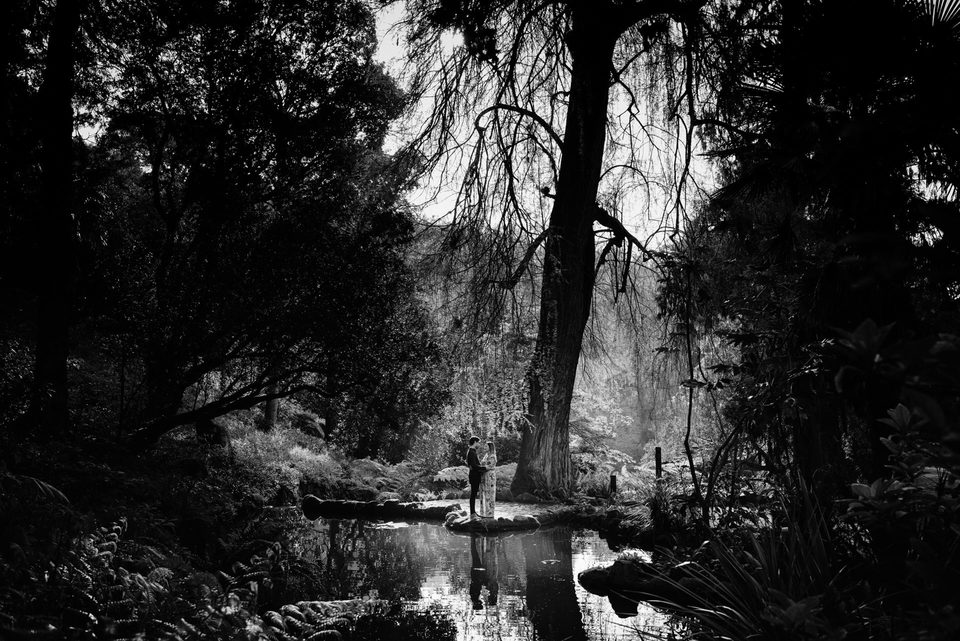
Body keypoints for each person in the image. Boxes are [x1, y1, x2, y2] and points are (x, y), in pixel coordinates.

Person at [465, 436, 486, 518]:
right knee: (473, 494)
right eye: (478, 442)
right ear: (474, 442)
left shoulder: (472, 451)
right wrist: (484, 468)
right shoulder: (471, 452)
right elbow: (474, 465)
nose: (479, 444)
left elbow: (474, 465)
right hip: (474, 476)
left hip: (474, 475)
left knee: (473, 494)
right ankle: (472, 513)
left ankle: (473, 512)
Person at [478, 441, 497, 517]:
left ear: (490, 447)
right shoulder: (486, 455)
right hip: (484, 475)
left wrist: (480, 468)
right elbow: (483, 464)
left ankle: (489, 513)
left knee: (490, 493)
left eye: (486, 446)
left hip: (490, 476)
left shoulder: (492, 456)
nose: (484, 447)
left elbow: (489, 466)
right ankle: (483, 512)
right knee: (484, 493)